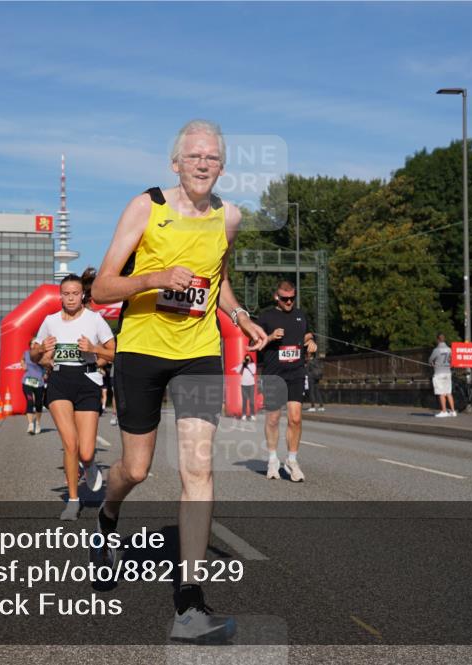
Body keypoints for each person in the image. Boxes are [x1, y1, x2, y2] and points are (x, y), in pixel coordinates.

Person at [91, 119, 266, 643]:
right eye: (194, 156)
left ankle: (189, 606)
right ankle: (107, 511)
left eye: (212, 157)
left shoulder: (228, 217)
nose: (203, 163)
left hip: (198, 354)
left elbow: (219, 280)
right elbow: (101, 286)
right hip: (142, 350)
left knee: (197, 468)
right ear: (175, 162)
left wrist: (237, 315)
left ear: (222, 165)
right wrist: (155, 278)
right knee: (137, 469)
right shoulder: (147, 206)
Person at [32, 269, 116, 521]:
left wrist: (94, 348)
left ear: (82, 295)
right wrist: (41, 350)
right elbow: (35, 355)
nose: (70, 298)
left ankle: (88, 465)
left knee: (87, 452)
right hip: (59, 381)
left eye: (75, 294)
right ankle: (72, 501)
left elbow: (114, 353)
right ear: (60, 296)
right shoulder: (50, 321)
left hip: (88, 381)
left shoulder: (95, 320)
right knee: (70, 444)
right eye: (66, 294)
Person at [257, 281, 317, 482]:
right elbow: (255, 344)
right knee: (273, 419)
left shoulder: (300, 315)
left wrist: (311, 342)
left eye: (292, 298)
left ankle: (291, 460)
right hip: (274, 374)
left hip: (296, 372)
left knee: (295, 418)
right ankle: (273, 459)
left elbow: (307, 334)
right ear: (277, 297)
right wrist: (271, 337)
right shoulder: (266, 317)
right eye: (285, 299)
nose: (289, 302)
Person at [19, 352, 47, 435]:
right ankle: (30, 424)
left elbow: (48, 364)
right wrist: (23, 364)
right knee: (30, 401)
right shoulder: (27, 353)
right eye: (33, 344)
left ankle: (37, 423)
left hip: (39, 383)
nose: (34, 346)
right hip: (27, 382)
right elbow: (22, 359)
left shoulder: (43, 354)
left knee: (38, 404)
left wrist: (45, 372)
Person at [429, 332, 456, 417]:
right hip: (448, 372)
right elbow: (452, 361)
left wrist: (433, 364)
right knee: (448, 392)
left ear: (437, 340)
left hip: (439, 373)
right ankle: (453, 411)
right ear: (444, 339)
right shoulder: (449, 349)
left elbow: (430, 360)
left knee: (441, 393)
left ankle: (444, 411)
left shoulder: (436, 350)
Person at [231, 353, 257, 421]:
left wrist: (247, 365)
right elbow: (237, 370)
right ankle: (244, 414)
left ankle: (252, 414)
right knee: (244, 401)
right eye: (246, 358)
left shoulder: (252, 365)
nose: (247, 359)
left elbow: (254, 372)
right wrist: (242, 364)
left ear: (251, 359)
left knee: (251, 401)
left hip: (251, 384)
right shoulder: (243, 365)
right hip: (244, 385)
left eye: (249, 358)